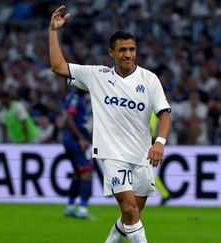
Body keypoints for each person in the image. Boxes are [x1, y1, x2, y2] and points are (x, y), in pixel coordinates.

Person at [48, 5, 171, 243]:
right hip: (112, 154)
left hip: (142, 154)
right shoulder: (97, 75)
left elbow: (165, 114)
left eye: (132, 49)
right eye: (122, 50)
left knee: (131, 215)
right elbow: (58, 67)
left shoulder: (149, 79)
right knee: (130, 210)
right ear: (111, 53)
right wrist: (53, 31)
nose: (128, 54)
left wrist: (160, 143)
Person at [62, 88, 94, 219]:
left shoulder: (78, 98)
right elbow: (68, 119)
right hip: (75, 140)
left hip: (70, 139)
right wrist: (81, 139)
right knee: (86, 173)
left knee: (78, 174)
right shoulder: (75, 98)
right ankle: (82, 209)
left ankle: (69, 207)